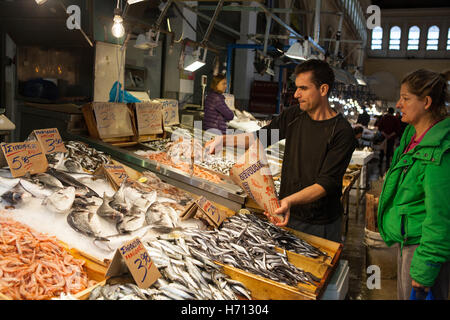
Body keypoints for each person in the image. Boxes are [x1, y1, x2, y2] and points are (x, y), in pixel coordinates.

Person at [206, 59, 357, 242]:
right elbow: (260, 137)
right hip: (287, 213)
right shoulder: (294, 115)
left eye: (303, 88)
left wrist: (289, 201)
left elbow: (325, 184)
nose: (296, 94)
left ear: (323, 89)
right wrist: (223, 140)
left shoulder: (341, 132)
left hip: (320, 223)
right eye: (296, 88)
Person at [377, 69, 450, 300]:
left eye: (406, 98)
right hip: (407, 241)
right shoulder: (412, 135)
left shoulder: (440, 151)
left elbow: (441, 216)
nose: (399, 104)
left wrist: (425, 268)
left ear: (426, 102)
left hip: (422, 248)